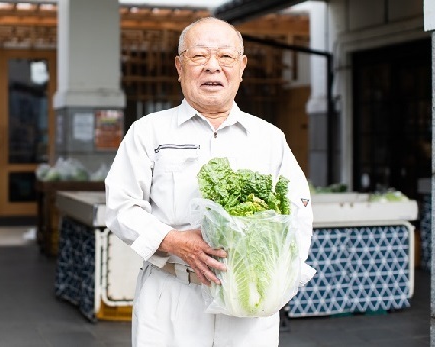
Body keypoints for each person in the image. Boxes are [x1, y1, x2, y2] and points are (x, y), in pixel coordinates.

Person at [104, 16, 314, 347]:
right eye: (199, 56)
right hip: (172, 297)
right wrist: (172, 240)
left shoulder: (269, 138)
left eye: (226, 57)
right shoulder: (148, 132)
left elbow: (298, 216)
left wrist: (277, 282)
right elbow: (120, 207)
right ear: (179, 65)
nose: (212, 67)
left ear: (242, 66)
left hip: (249, 302)